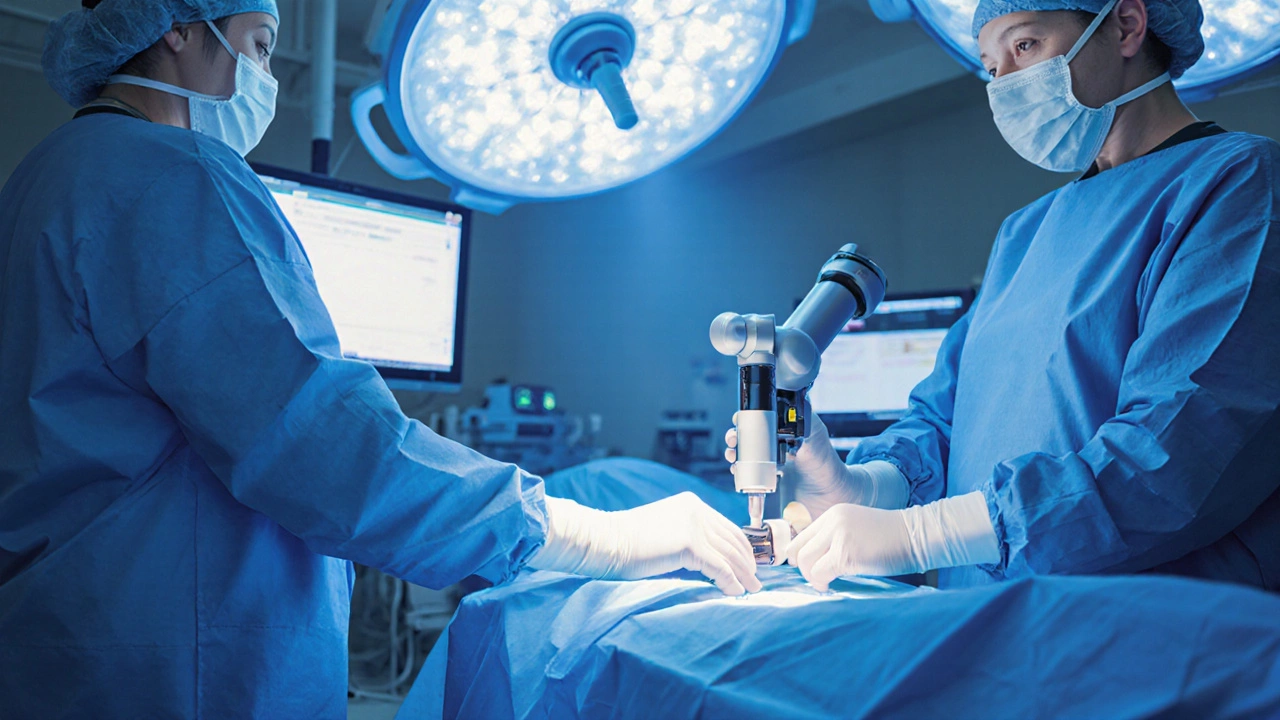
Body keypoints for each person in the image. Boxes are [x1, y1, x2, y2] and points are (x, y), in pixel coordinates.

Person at [0, 1, 759, 716]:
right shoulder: (174, 175)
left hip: (69, 645)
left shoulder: (43, 179)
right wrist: (602, 538)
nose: (262, 77)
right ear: (178, 28)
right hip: (176, 670)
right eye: (260, 47)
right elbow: (327, 449)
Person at [729, 0, 1280, 593]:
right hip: (989, 625)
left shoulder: (1237, 182)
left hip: (1152, 640)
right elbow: (947, 421)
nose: (1008, 85)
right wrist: (858, 486)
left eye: (1025, 47)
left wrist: (923, 535)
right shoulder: (1024, 233)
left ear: (1125, 25)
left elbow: (1179, 452)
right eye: (992, 68)